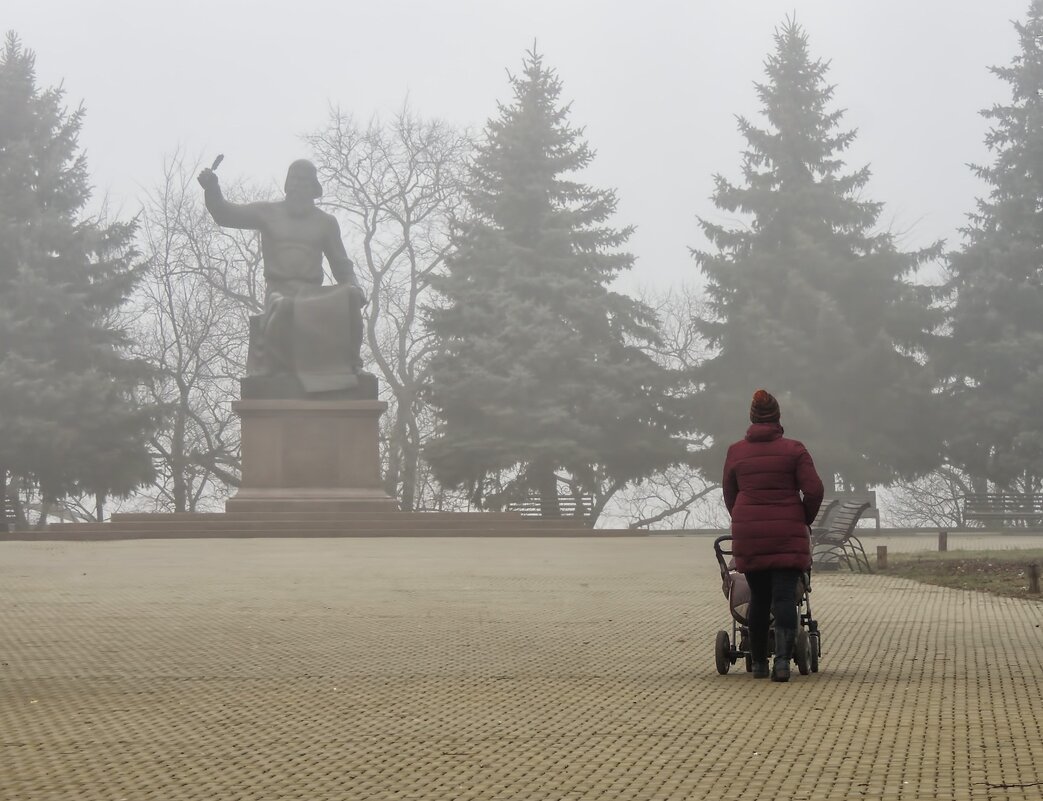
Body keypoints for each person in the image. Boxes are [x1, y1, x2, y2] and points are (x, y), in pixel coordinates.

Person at [197, 159, 367, 393]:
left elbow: (341, 265)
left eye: (304, 181)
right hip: (279, 291)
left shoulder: (326, 223)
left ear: (313, 188)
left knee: (348, 296)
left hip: (312, 292)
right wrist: (212, 188)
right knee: (283, 306)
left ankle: (352, 365)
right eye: (294, 180)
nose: (298, 186)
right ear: (287, 185)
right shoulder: (267, 213)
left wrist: (355, 286)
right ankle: (273, 363)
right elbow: (226, 215)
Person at [722, 389, 824, 682]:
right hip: (787, 533)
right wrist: (802, 518)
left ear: (752, 418)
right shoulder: (795, 450)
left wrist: (743, 519)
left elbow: (730, 493)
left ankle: (758, 664)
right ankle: (782, 664)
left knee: (759, 598)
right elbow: (815, 490)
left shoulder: (736, 451)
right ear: (778, 418)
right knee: (784, 598)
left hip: (750, 532)